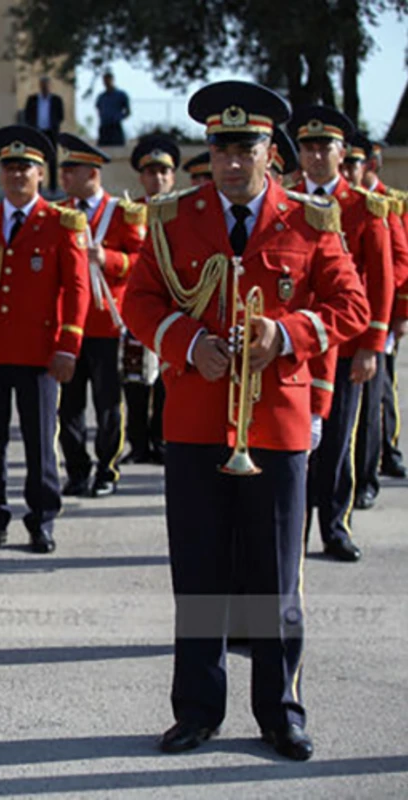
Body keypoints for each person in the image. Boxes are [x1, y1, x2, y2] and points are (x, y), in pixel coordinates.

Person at [123, 80, 369, 762]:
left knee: (275, 575)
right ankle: (197, 708)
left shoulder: (310, 221)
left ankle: (280, 709)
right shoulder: (173, 218)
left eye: (247, 149)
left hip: (276, 426)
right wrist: (183, 341)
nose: (233, 163)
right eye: (222, 148)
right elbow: (138, 299)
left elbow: (351, 306)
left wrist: (287, 334)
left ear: (272, 153)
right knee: (198, 571)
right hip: (199, 420)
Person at [0, 124, 89, 554]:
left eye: (27, 168)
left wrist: (68, 345)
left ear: (42, 174)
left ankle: (42, 521)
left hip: (40, 354)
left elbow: (77, 289)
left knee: (40, 443)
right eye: (11, 168)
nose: (18, 176)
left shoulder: (60, 223)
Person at [289, 105, 393, 562]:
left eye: (324, 147)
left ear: (341, 153)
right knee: (291, 440)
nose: (315, 156)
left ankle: (334, 527)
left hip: (346, 343)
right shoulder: (285, 199)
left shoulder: (365, 207)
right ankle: (292, 528)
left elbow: (382, 280)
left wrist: (373, 344)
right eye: (308, 147)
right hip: (292, 344)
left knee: (337, 439)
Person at [56, 134, 146, 498]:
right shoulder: (60, 212)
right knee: (69, 406)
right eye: (63, 170)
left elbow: (141, 263)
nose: (64, 176)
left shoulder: (122, 213)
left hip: (107, 324)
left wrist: (108, 259)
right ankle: (77, 470)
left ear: (92, 174)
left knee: (108, 406)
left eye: (71, 170)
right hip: (70, 324)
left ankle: (106, 470)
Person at [341, 132, 408, 509]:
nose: (349, 170)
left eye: (355, 163)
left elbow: (397, 264)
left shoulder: (381, 206)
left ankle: (367, 477)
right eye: (345, 162)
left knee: (372, 403)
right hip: (337, 322)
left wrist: (397, 314)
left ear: (367, 165)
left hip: (371, 318)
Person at [121, 135, 180, 466]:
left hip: (174, 306)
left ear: (172, 176)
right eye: (150, 173)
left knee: (167, 379)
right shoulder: (131, 212)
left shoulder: (184, 211)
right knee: (134, 377)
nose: (157, 179)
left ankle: (162, 439)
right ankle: (138, 443)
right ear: (141, 177)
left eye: (163, 172)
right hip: (140, 307)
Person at [361, 140, 408, 479]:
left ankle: (387, 450)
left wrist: (400, 313)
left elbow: (400, 264)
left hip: (384, 311)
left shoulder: (392, 203)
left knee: (382, 387)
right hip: (354, 312)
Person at [24, 76, 64, 191]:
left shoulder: (56, 100)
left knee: (52, 160)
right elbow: (28, 115)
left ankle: (53, 187)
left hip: (51, 132)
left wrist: (54, 125)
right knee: (37, 159)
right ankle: (38, 186)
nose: (45, 87)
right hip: (38, 133)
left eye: (47, 85)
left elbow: (61, 115)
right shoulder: (33, 100)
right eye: (42, 85)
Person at [94, 71, 130, 146]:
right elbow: (98, 108)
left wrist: (118, 118)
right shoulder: (101, 97)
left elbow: (128, 111)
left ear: (112, 80)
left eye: (108, 80)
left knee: (117, 148)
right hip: (104, 127)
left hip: (115, 127)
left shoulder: (121, 95)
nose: (106, 83)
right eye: (104, 81)